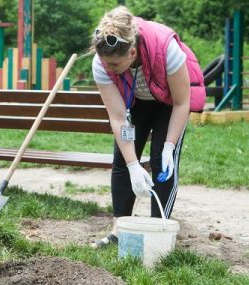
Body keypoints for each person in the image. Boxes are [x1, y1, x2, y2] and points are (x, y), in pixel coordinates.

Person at [89, 6, 205, 248]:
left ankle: (160, 228)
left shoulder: (166, 49)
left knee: (162, 162)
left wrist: (169, 146)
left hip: (169, 103)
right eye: (105, 64)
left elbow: (183, 103)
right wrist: (133, 165)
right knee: (122, 160)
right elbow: (118, 118)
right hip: (135, 104)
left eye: (115, 65)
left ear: (132, 53)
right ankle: (119, 229)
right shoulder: (101, 63)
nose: (109, 69)